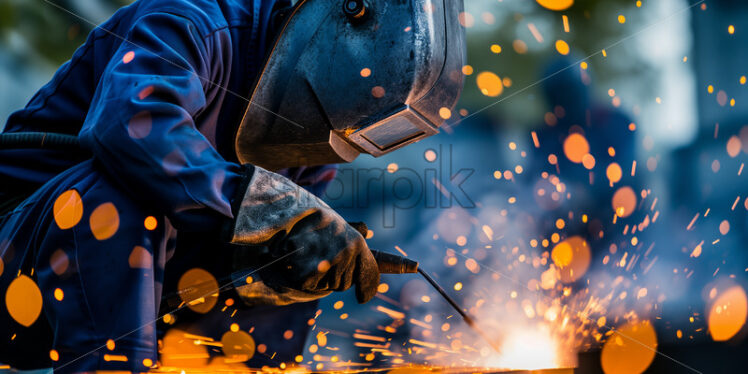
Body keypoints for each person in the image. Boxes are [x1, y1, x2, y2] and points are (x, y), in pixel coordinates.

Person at [0, 0, 465, 371]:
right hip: (16, 272)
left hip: (103, 295)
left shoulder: (306, 140)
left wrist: (297, 251)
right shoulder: (190, 21)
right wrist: (257, 204)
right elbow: (131, 127)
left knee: (290, 263)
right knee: (120, 195)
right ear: (349, 13)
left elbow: (261, 243)